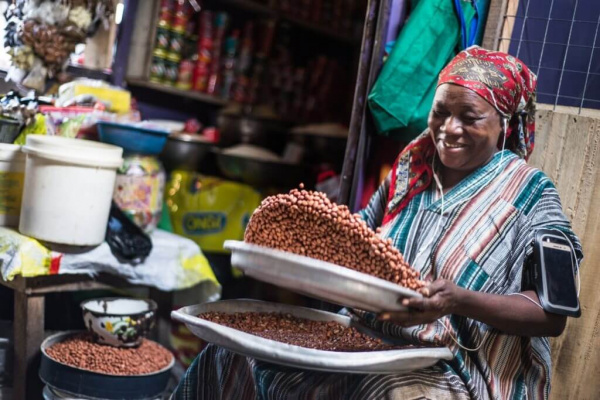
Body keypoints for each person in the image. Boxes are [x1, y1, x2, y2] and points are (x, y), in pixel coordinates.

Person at [172, 47, 582, 400]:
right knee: (231, 354)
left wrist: (459, 300)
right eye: (440, 113)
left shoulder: (530, 194)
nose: (449, 130)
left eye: (470, 117)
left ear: (503, 124)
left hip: (459, 372)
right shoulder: (412, 170)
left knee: (379, 393)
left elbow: (554, 313)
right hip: (370, 341)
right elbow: (357, 248)